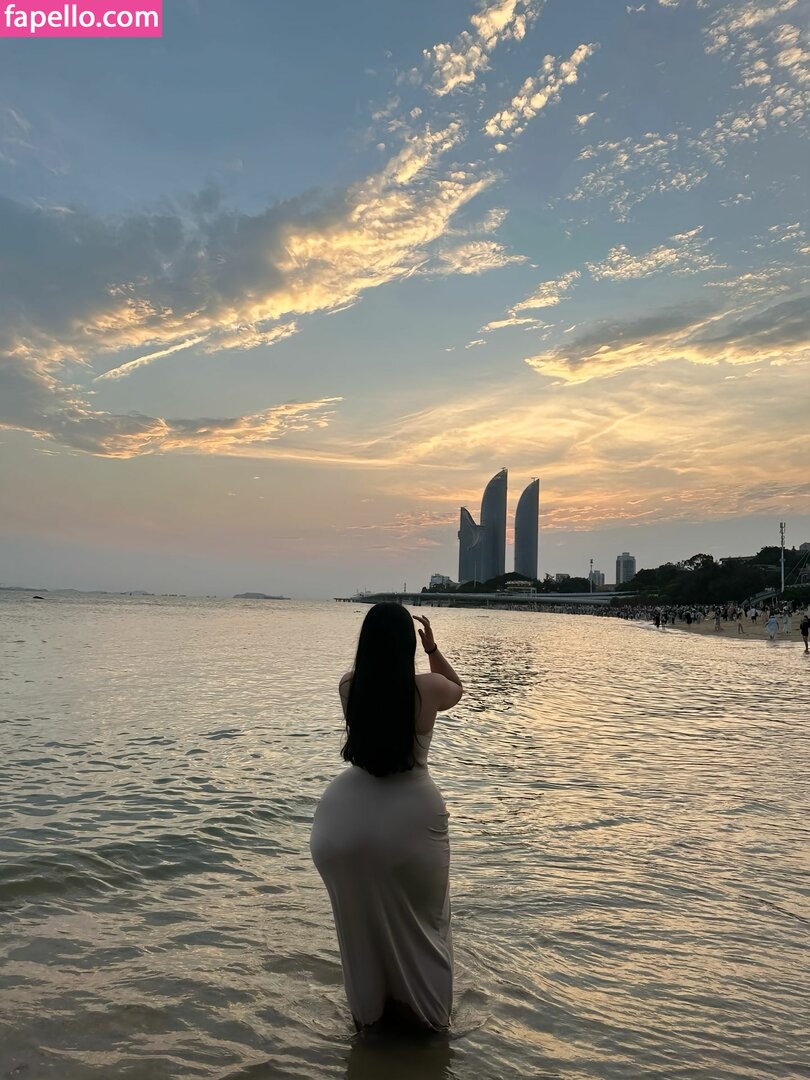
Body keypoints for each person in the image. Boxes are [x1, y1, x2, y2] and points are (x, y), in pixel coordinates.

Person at [310, 604, 463, 1035]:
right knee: (425, 925)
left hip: (342, 817)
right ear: (406, 645)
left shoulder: (349, 686)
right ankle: (427, 1030)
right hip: (411, 816)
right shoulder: (428, 689)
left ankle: (369, 1026)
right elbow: (457, 688)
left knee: (362, 930)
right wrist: (432, 649)